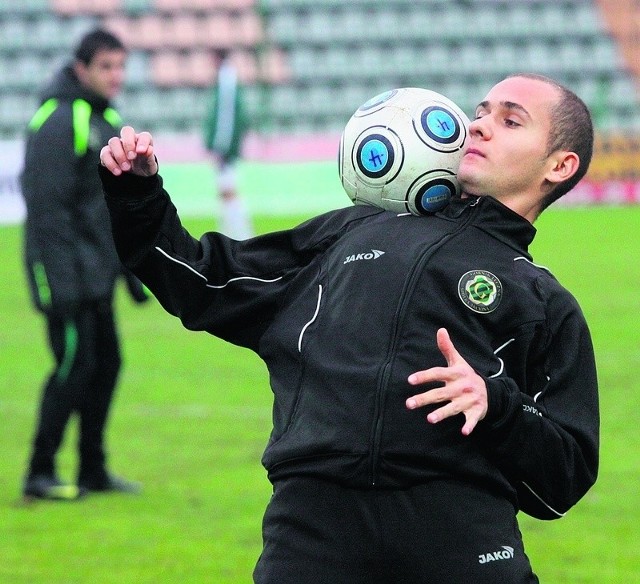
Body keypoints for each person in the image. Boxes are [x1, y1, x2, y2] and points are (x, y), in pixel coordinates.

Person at [98, 73, 599, 582]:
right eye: (481, 111)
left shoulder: (542, 301)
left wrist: (497, 405)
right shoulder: (347, 231)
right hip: (313, 528)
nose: (480, 126)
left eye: (510, 120)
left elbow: (562, 481)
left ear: (559, 166)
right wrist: (138, 195)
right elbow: (200, 282)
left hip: (458, 535)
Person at [21, 28, 149, 501]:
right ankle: (39, 470)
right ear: (81, 69)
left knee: (107, 365)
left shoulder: (106, 118)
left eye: (121, 66)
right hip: (66, 275)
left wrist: (131, 274)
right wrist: (59, 281)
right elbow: (47, 209)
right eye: (106, 67)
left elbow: (110, 206)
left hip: (96, 272)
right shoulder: (60, 119)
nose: (116, 76)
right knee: (74, 366)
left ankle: (93, 468)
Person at [202, 48, 253, 240]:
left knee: (228, 190)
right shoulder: (228, 80)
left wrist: (221, 146)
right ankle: (231, 232)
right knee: (226, 190)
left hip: (225, 147)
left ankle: (241, 234)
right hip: (226, 145)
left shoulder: (226, 81)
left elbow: (226, 117)